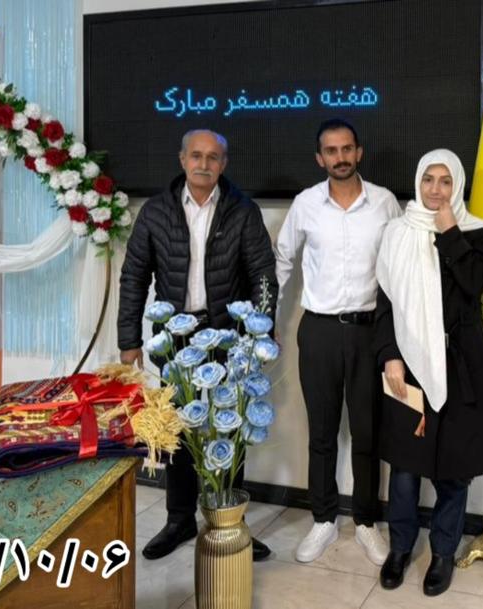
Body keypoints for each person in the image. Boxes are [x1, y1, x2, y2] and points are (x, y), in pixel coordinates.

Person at [118, 129, 278, 561]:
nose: (203, 164)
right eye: (196, 156)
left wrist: (260, 334)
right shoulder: (155, 212)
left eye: (213, 157)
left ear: (223, 164)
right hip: (176, 340)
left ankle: (229, 520)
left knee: (230, 430)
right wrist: (129, 340)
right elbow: (134, 276)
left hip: (228, 334)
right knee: (179, 431)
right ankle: (179, 519)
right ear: (182, 159)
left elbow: (263, 275)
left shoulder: (243, 211)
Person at [373, 149, 483, 596]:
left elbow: (474, 283)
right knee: (405, 468)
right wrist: (390, 355)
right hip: (408, 363)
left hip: (460, 367)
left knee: (454, 469)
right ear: (418, 182)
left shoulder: (476, 232)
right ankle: (399, 549)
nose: (435, 189)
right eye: (428, 179)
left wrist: (449, 230)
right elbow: (385, 302)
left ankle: (443, 553)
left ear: (458, 185)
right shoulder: (396, 233)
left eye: (445, 181)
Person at [275, 119, 400, 565]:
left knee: (367, 433)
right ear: (320, 158)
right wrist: (268, 321)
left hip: (370, 332)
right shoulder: (306, 204)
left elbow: (401, 266)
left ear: (359, 152)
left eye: (347, 149)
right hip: (320, 331)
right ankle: (323, 519)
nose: (340, 157)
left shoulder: (385, 203)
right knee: (322, 432)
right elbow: (282, 261)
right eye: (331, 151)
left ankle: (366, 522)